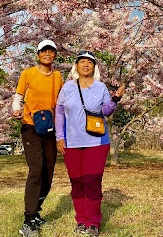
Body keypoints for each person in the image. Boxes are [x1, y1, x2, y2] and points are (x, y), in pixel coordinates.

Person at [55, 50, 125, 236]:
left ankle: (93, 222)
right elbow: (60, 112)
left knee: (92, 181)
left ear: (94, 67)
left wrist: (115, 100)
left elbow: (106, 112)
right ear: (76, 66)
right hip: (71, 143)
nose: (85, 65)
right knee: (77, 182)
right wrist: (59, 137)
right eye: (82, 62)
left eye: (89, 62)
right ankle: (81, 220)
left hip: (97, 142)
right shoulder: (68, 87)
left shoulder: (101, 87)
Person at [12, 39, 64, 237]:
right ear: (38, 55)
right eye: (44, 51)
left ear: (55, 56)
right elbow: (18, 96)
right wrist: (17, 109)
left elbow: (60, 103)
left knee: (48, 171)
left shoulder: (58, 76)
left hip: (50, 127)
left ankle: (36, 211)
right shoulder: (28, 73)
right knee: (36, 169)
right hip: (31, 126)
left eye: (51, 51)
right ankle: (28, 219)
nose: (47, 54)